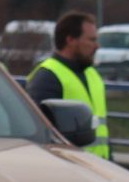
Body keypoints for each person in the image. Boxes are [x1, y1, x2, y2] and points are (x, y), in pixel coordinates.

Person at [25, 11, 109, 159]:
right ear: (70, 40)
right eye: (91, 40)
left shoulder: (92, 74)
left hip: (99, 166)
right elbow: (41, 133)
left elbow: (101, 128)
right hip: (71, 167)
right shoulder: (47, 77)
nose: (97, 46)